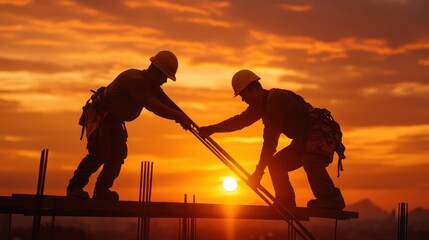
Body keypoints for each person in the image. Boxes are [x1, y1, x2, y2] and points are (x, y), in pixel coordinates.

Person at [200, 69, 346, 210]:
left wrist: (258, 173)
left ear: (253, 89)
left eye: (243, 95)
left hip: (319, 134)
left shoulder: (275, 101)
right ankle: (285, 201)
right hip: (304, 139)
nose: (243, 100)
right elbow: (239, 122)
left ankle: (331, 199)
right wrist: (211, 129)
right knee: (277, 164)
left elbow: (270, 143)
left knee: (311, 161)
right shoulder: (261, 105)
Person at [67, 50, 192, 200]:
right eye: (164, 76)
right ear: (155, 71)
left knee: (117, 155)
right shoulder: (135, 80)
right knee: (100, 153)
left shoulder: (150, 84)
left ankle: (101, 191)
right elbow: (154, 106)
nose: (165, 81)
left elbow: (166, 102)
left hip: (114, 120)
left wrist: (184, 117)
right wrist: (178, 116)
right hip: (101, 116)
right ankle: (74, 188)